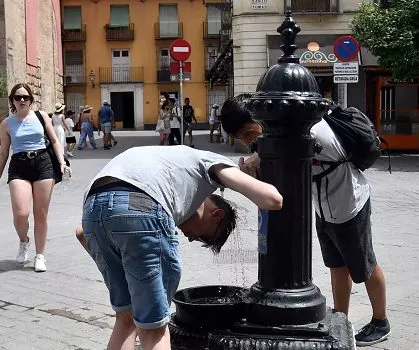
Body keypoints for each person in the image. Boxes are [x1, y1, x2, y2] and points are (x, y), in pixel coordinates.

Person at [220, 95, 390, 347]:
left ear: (260, 119)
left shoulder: (309, 131)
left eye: (247, 133)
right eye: (241, 138)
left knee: (363, 264)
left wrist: (260, 161)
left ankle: (380, 321)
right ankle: (341, 319)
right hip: (324, 207)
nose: (247, 142)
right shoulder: (281, 133)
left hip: (349, 203)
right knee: (337, 264)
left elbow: (288, 158)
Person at [79, 145, 283, 350]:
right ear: (217, 214)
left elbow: (81, 234)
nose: (191, 238)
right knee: (154, 330)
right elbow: (273, 199)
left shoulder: (174, 165)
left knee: (125, 319)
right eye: (203, 236)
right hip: (141, 206)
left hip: (92, 208)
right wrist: (249, 171)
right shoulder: (209, 161)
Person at [0, 83, 67, 272]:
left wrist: (62, 162)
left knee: (41, 214)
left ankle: (40, 255)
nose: (22, 100)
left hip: (43, 163)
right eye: (18, 97)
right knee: (21, 214)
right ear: (12, 100)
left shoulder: (41, 116)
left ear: (31, 100)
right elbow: (4, 152)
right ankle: (24, 241)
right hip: (19, 166)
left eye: (25, 97)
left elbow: (54, 140)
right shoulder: (6, 123)